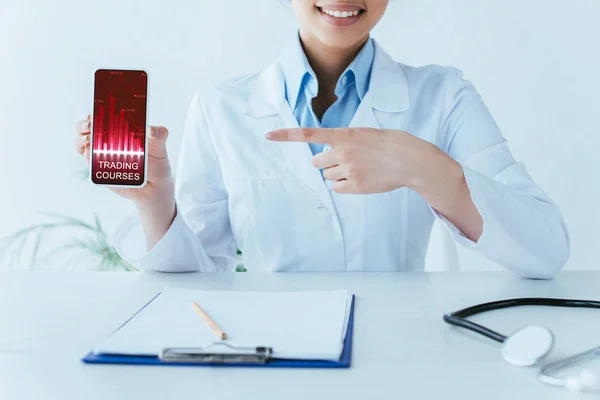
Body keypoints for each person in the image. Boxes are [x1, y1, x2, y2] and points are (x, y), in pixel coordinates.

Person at [75, 0, 569, 278]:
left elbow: (545, 249)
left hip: (397, 357)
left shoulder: (445, 96)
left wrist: (422, 166)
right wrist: (155, 203)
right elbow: (198, 278)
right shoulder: (219, 107)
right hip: (268, 356)